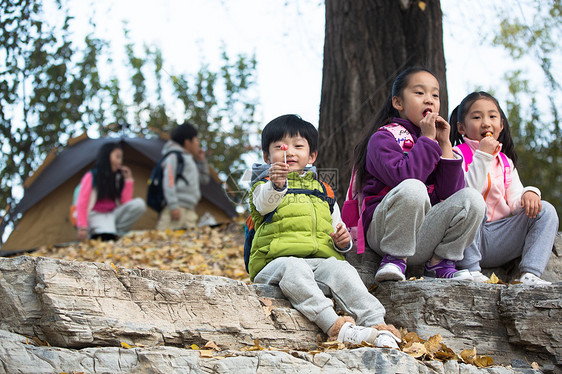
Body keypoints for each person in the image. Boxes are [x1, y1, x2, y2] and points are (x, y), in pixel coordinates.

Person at [248, 114, 402, 348]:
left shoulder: (324, 191)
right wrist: (276, 184)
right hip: (275, 264)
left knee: (341, 269)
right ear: (267, 156)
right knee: (294, 267)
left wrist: (343, 243)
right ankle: (335, 326)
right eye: (280, 147)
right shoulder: (263, 186)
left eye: (298, 146)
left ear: (311, 156)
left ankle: (377, 325)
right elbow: (264, 204)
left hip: (318, 262)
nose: (289, 152)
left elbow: (336, 227)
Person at [351, 67, 486, 282]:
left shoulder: (432, 141)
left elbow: (450, 195)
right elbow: (404, 178)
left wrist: (445, 144)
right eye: (419, 93)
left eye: (435, 95)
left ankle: (440, 263)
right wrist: (426, 140)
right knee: (413, 187)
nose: (429, 100)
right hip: (385, 232)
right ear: (398, 103)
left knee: (472, 199)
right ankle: (394, 258)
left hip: (421, 236)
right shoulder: (383, 138)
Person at [450, 91, 559, 285]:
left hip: (497, 238)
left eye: (492, 116)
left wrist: (530, 193)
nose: (486, 122)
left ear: (501, 124)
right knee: (475, 203)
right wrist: (483, 155)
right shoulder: (456, 154)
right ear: (461, 128)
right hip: (464, 239)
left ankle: (530, 274)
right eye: (476, 117)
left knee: (546, 210)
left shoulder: (505, 162)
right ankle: (471, 270)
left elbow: (516, 201)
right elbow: (465, 196)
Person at [76, 142, 146, 241]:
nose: (120, 161)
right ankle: (105, 233)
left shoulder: (118, 177)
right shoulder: (92, 176)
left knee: (139, 204)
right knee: (106, 237)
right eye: (117, 157)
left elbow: (125, 202)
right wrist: (82, 226)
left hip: (113, 213)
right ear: (106, 156)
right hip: (96, 214)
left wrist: (128, 180)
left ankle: (117, 232)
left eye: (121, 158)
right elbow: (82, 202)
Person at [156, 121, 211, 230]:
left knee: (189, 243)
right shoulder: (174, 156)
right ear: (187, 142)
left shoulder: (190, 160)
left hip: (190, 210)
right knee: (165, 240)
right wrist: (173, 205)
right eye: (196, 140)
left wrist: (202, 161)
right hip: (176, 208)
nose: (198, 144)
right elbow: (169, 180)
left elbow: (204, 179)